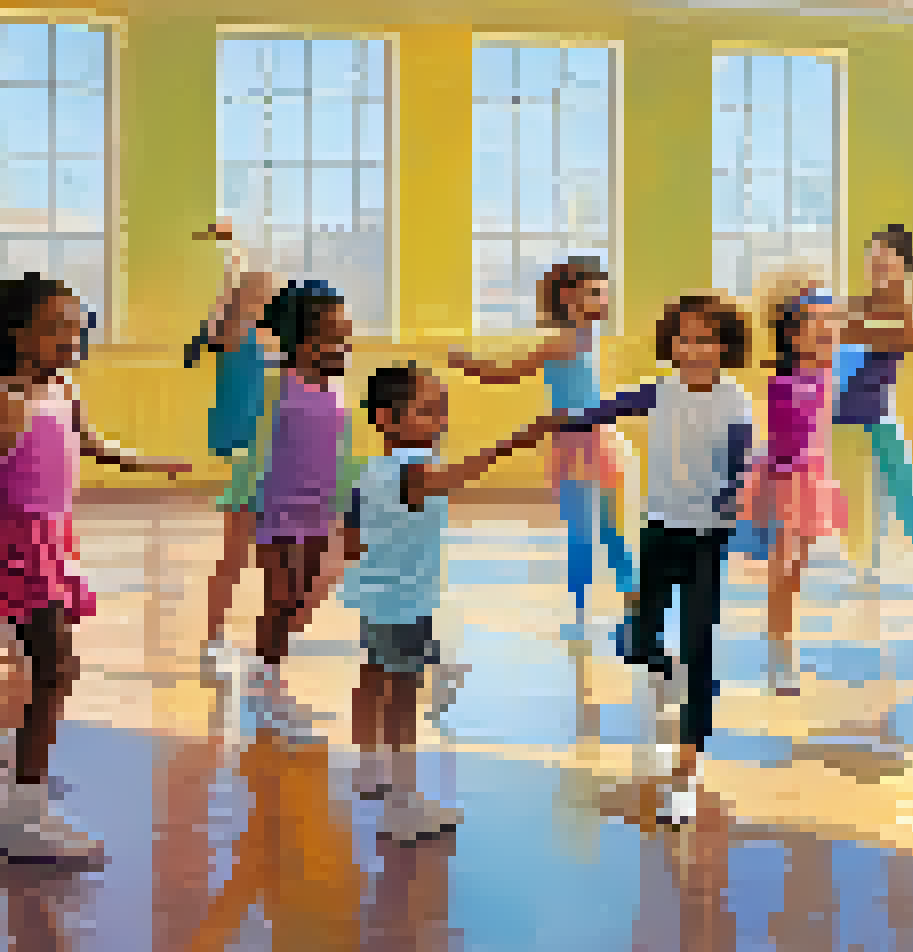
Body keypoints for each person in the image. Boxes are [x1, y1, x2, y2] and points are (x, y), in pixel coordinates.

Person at [0, 273, 190, 862]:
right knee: (56, 667)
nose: (70, 338)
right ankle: (26, 813)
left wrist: (150, 463)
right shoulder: (1, 393)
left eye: (75, 328)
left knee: (53, 667)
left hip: (55, 538)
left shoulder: (64, 389)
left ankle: (25, 781)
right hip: (19, 540)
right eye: (54, 329)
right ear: (19, 337)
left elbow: (90, 445)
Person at [490, 293, 759, 826]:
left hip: (708, 534)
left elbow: (741, 459)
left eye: (706, 339)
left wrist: (732, 495)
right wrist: (558, 423)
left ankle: (685, 773)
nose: (694, 348)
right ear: (672, 344)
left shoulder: (736, 400)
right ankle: (656, 657)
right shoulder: (661, 391)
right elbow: (602, 411)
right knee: (639, 638)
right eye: (685, 338)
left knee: (700, 644)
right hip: (659, 527)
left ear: (725, 345)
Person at [345, 363, 518, 844]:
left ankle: (368, 768)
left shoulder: (370, 471)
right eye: (427, 411)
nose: (440, 421)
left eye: (442, 410)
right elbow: (453, 477)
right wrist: (508, 444)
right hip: (402, 603)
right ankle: (402, 804)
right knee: (402, 695)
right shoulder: (413, 470)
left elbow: (352, 538)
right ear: (388, 419)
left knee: (373, 673)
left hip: (374, 596)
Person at [451, 258, 637, 639]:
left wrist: (467, 364)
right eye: (595, 293)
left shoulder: (577, 338)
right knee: (594, 530)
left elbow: (502, 374)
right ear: (569, 298)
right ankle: (602, 608)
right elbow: (504, 374)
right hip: (581, 443)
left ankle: (606, 607)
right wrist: (468, 365)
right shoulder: (569, 341)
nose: (604, 300)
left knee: (595, 530)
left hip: (588, 442)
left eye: (604, 293)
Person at [246, 280, 364, 734]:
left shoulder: (336, 391)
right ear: (302, 341)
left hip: (322, 511)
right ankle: (265, 679)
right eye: (332, 335)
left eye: (345, 333)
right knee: (278, 596)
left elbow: (343, 452)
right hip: (278, 510)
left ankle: (270, 662)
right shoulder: (277, 385)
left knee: (302, 594)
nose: (343, 343)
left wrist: (352, 505)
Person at [740, 277, 848, 697]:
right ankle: (778, 651)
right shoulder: (782, 383)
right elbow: (785, 443)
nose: (824, 333)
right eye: (812, 325)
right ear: (792, 334)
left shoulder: (825, 374)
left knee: (796, 569)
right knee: (781, 570)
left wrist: (817, 295)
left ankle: (784, 642)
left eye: (827, 326)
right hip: (785, 482)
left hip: (811, 481)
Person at [833, 225, 913, 578]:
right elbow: (881, 333)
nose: (876, 266)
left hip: (874, 414)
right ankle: (864, 563)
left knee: (901, 492)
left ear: (905, 266)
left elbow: (901, 336)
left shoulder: (902, 310)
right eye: (872, 259)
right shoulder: (860, 307)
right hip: (843, 416)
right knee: (861, 497)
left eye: (884, 260)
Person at [188, 221, 280, 683]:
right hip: (246, 450)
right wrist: (232, 249)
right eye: (260, 292)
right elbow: (231, 291)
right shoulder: (229, 332)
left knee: (274, 553)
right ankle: (212, 636)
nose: (268, 296)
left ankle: (268, 643)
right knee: (236, 551)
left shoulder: (272, 340)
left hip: (276, 449)